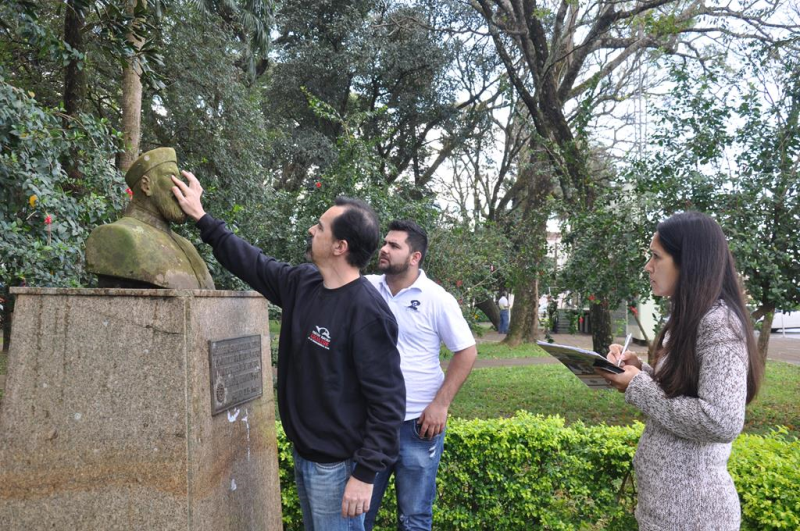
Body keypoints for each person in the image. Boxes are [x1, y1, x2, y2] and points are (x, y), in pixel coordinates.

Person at [171, 171, 406, 531]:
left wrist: (365, 473)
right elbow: (252, 263)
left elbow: (388, 403)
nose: (312, 230)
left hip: (337, 468)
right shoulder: (303, 283)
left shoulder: (368, 313)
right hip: (305, 456)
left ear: (340, 246)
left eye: (321, 227)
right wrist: (203, 218)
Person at [597, 211, 764, 530]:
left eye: (656, 257)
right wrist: (639, 370)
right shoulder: (690, 318)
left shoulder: (719, 326)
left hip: (694, 517)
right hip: (667, 512)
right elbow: (683, 391)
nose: (648, 266)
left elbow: (722, 420)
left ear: (689, 262)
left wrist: (639, 387)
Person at [363, 220, 477, 530]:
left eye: (394, 245)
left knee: (414, 518)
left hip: (418, 427)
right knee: (358, 515)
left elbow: (466, 351)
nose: (384, 249)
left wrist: (441, 404)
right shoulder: (367, 288)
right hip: (370, 425)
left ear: (415, 257)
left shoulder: (437, 298)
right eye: (385, 243)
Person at [86, 147, 215, 289]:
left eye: (179, 179)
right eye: (171, 176)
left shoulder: (187, 246)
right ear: (146, 185)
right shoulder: (114, 235)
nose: (181, 187)